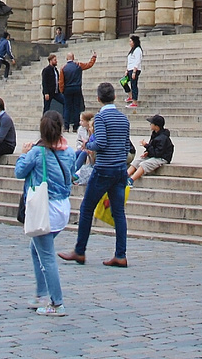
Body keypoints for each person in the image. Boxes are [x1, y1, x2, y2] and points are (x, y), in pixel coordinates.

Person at [15, 110, 81, 317]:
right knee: (37, 249)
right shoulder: (69, 152)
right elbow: (72, 175)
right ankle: (41, 293)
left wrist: (24, 153)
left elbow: (19, 172)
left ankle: (56, 302)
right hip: (62, 207)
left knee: (47, 256)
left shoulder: (36, 152)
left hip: (45, 208)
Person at [61, 81, 131, 268]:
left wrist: (87, 146)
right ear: (115, 97)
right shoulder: (124, 119)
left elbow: (100, 143)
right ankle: (121, 254)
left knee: (87, 208)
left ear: (99, 99)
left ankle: (80, 250)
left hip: (103, 169)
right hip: (119, 169)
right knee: (119, 213)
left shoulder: (100, 118)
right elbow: (126, 147)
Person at [128, 115, 173, 184]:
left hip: (162, 158)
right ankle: (124, 177)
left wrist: (146, 146)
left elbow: (157, 153)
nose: (150, 125)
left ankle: (131, 180)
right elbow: (153, 148)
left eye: (151, 123)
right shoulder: (155, 134)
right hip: (155, 155)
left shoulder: (163, 138)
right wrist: (147, 152)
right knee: (136, 161)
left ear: (156, 126)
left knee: (144, 164)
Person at [61, 52, 97, 129]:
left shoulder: (63, 68)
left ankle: (66, 126)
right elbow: (89, 65)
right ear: (73, 58)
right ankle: (76, 126)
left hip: (67, 89)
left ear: (67, 58)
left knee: (67, 107)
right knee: (76, 107)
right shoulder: (78, 65)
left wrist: (62, 90)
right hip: (77, 87)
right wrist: (93, 58)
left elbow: (61, 81)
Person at [124, 36, 143, 107]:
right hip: (130, 69)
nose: (129, 43)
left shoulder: (138, 50)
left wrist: (134, 71)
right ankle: (130, 96)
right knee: (123, 82)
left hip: (134, 69)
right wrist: (127, 69)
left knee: (133, 85)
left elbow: (137, 61)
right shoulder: (132, 50)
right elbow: (130, 61)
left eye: (130, 41)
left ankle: (134, 102)